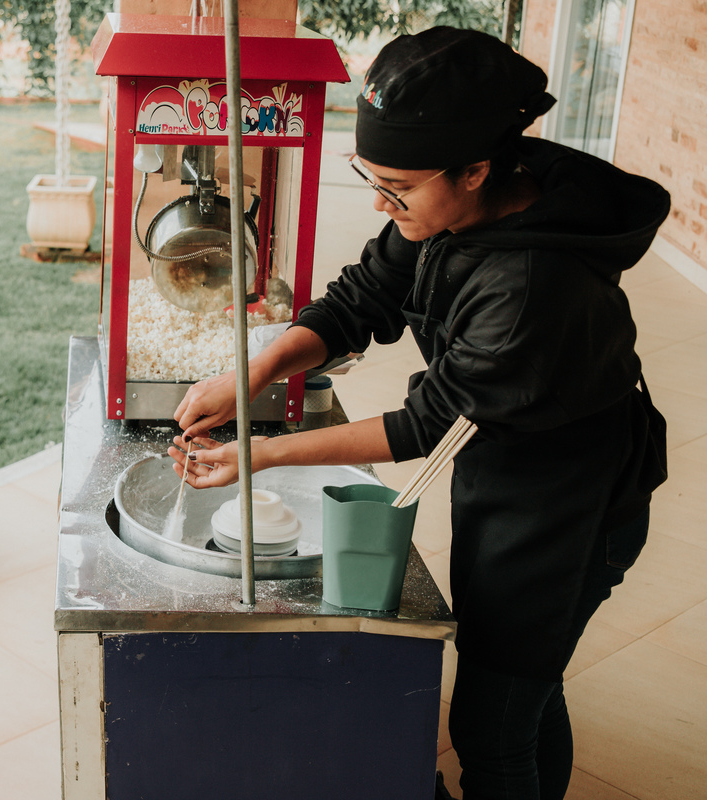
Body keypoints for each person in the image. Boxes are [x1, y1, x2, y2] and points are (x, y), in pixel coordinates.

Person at [170, 27, 668, 800]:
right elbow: (367, 294)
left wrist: (258, 453)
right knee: (528, 686)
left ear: (474, 170)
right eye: (371, 178)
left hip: (569, 508)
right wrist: (256, 368)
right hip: (508, 476)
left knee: (493, 727)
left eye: (396, 186)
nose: (380, 202)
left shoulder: (532, 285)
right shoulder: (455, 205)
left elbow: (426, 423)